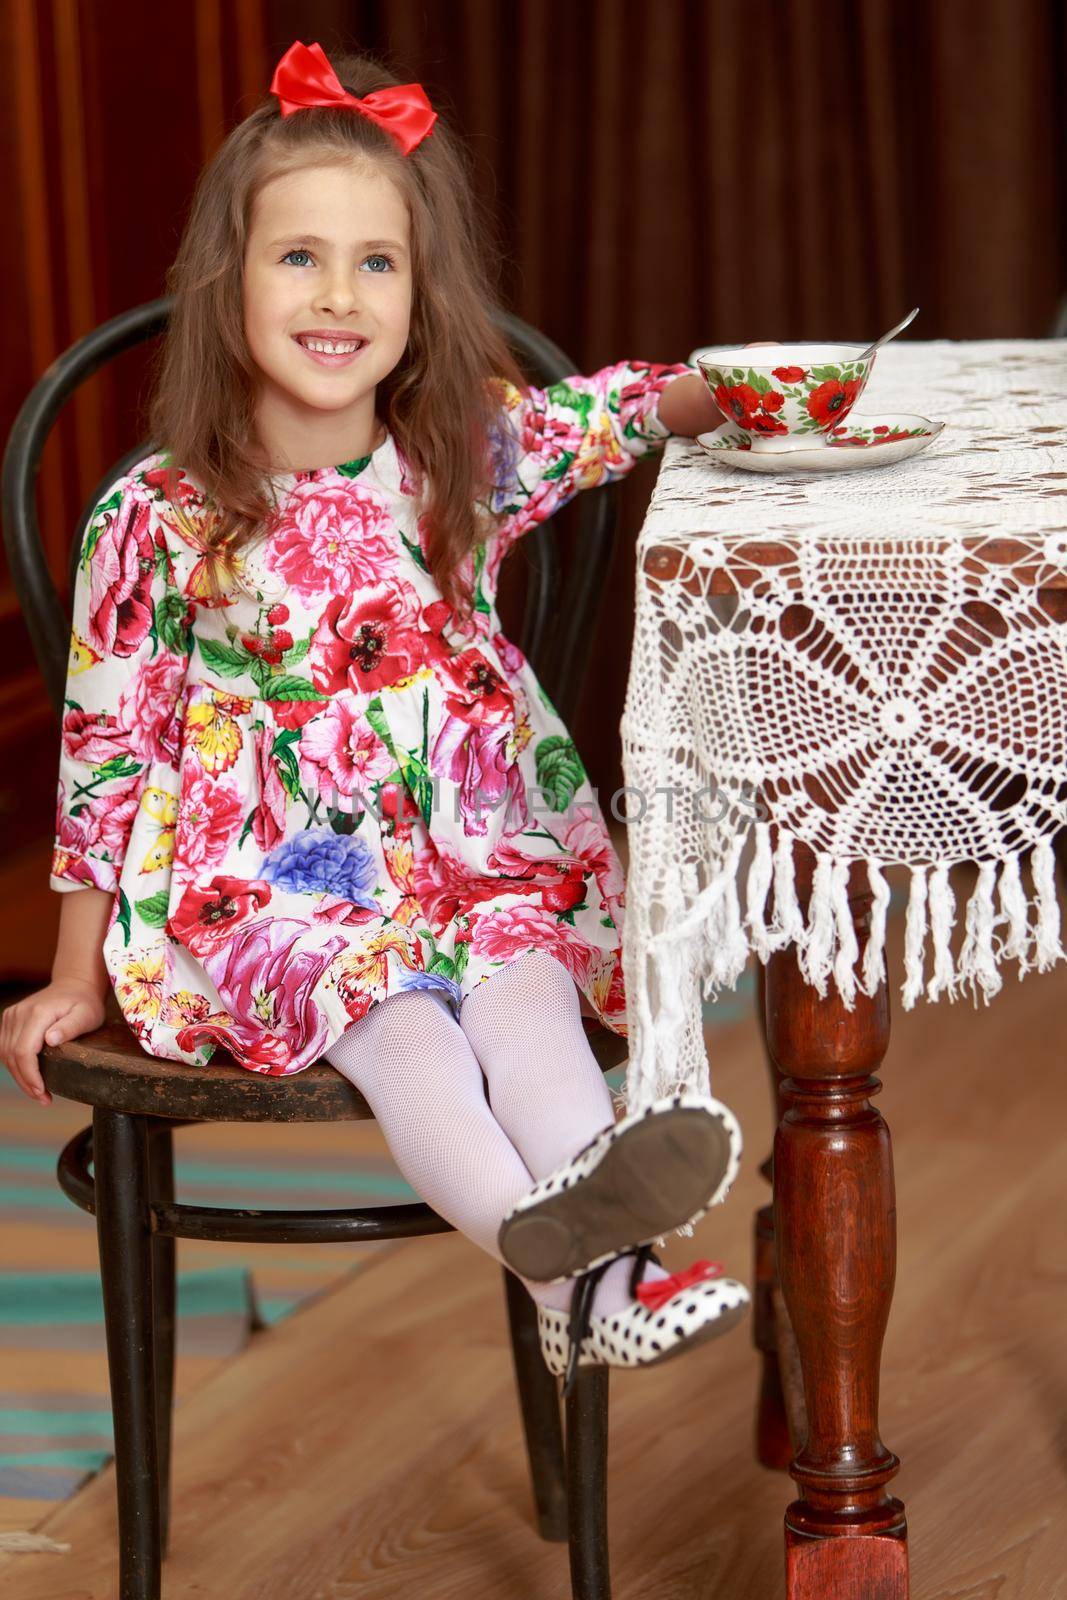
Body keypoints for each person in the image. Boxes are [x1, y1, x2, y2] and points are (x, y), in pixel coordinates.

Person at [0, 40, 751, 1382]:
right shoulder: (162, 515)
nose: (338, 294)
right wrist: (72, 976)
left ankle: (597, 1274)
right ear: (226, 284)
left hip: (472, 855)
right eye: (299, 258)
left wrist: (735, 387)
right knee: (408, 1031)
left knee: (521, 995)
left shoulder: (459, 457)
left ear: (420, 292)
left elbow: (615, 415)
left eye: (377, 262)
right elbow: (104, 756)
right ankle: (584, 1276)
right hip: (283, 888)